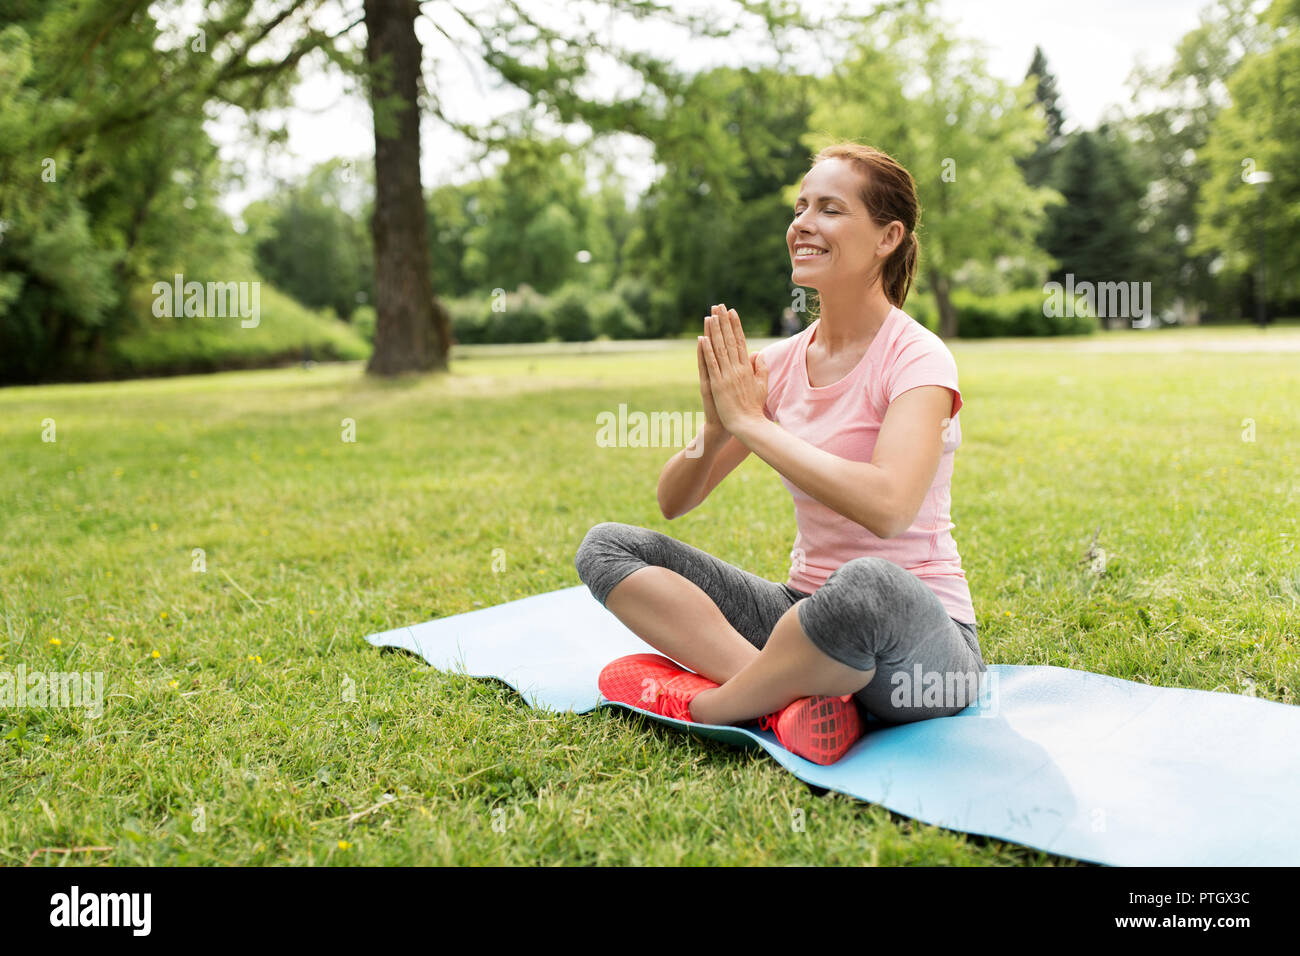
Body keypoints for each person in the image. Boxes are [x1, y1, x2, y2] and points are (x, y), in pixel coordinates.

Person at [574, 143, 984, 765]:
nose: (802, 224)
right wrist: (718, 428)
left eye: (830, 209)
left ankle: (718, 705)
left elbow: (890, 508)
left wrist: (753, 425)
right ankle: (783, 697)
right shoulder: (780, 365)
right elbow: (673, 500)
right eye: (800, 208)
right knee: (608, 546)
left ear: (888, 236)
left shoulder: (919, 358)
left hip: (913, 647)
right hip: (801, 615)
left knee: (867, 583)